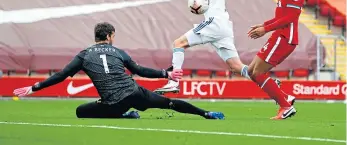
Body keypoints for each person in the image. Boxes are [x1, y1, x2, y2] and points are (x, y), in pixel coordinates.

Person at [13, 22, 225, 120]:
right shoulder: (118, 52)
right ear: (110, 36)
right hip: (134, 92)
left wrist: (33, 87)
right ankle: (205, 114)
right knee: (169, 104)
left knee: (81, 111)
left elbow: (60, 76)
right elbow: (139, 70)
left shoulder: (84, 55)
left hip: (113, 102)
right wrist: (165, 74)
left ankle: (125, 116)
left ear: (96, 37)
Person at [154, 0, 252, 94]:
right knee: (236, 66)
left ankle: (173, 82)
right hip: (223, 28)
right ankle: (265, 80)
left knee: (178, 44)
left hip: (214, 24)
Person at [247, 0, 307, 120]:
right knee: (252, 71)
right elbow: (281, 16)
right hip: (278, 34)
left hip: (285, 37)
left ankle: (286, 106)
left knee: (258, 72)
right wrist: (263, 25)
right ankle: (284, 97)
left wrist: (265, 29)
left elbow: (291, 17)